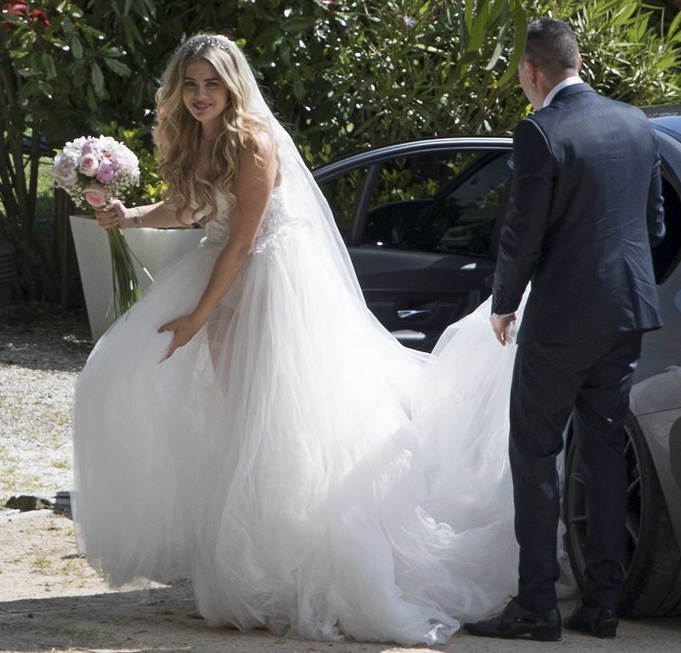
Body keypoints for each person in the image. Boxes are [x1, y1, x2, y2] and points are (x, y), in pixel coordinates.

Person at [72, 33, 567, 645]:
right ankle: (256, 562)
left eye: (212, 85)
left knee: (275, 427)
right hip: (226, 281)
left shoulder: (252, 140)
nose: (201, 96)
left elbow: (243, 240)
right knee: (232, 424)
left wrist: (200, 315)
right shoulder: (199, 133)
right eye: (191, 85)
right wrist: (131, 217)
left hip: (270, 289)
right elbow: (192, 207)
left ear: (232, 85)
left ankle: (299, 568)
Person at [464, 18, 665, 641]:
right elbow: (654, 225)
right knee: (602, 451)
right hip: (626, 313)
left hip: (561, 322)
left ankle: (536, 605)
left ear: (531, 71)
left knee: (535, 453)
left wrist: (504, 302)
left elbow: (522, 232)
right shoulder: (637, 123)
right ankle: (601, 604)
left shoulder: (538, 133)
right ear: (578, 62)